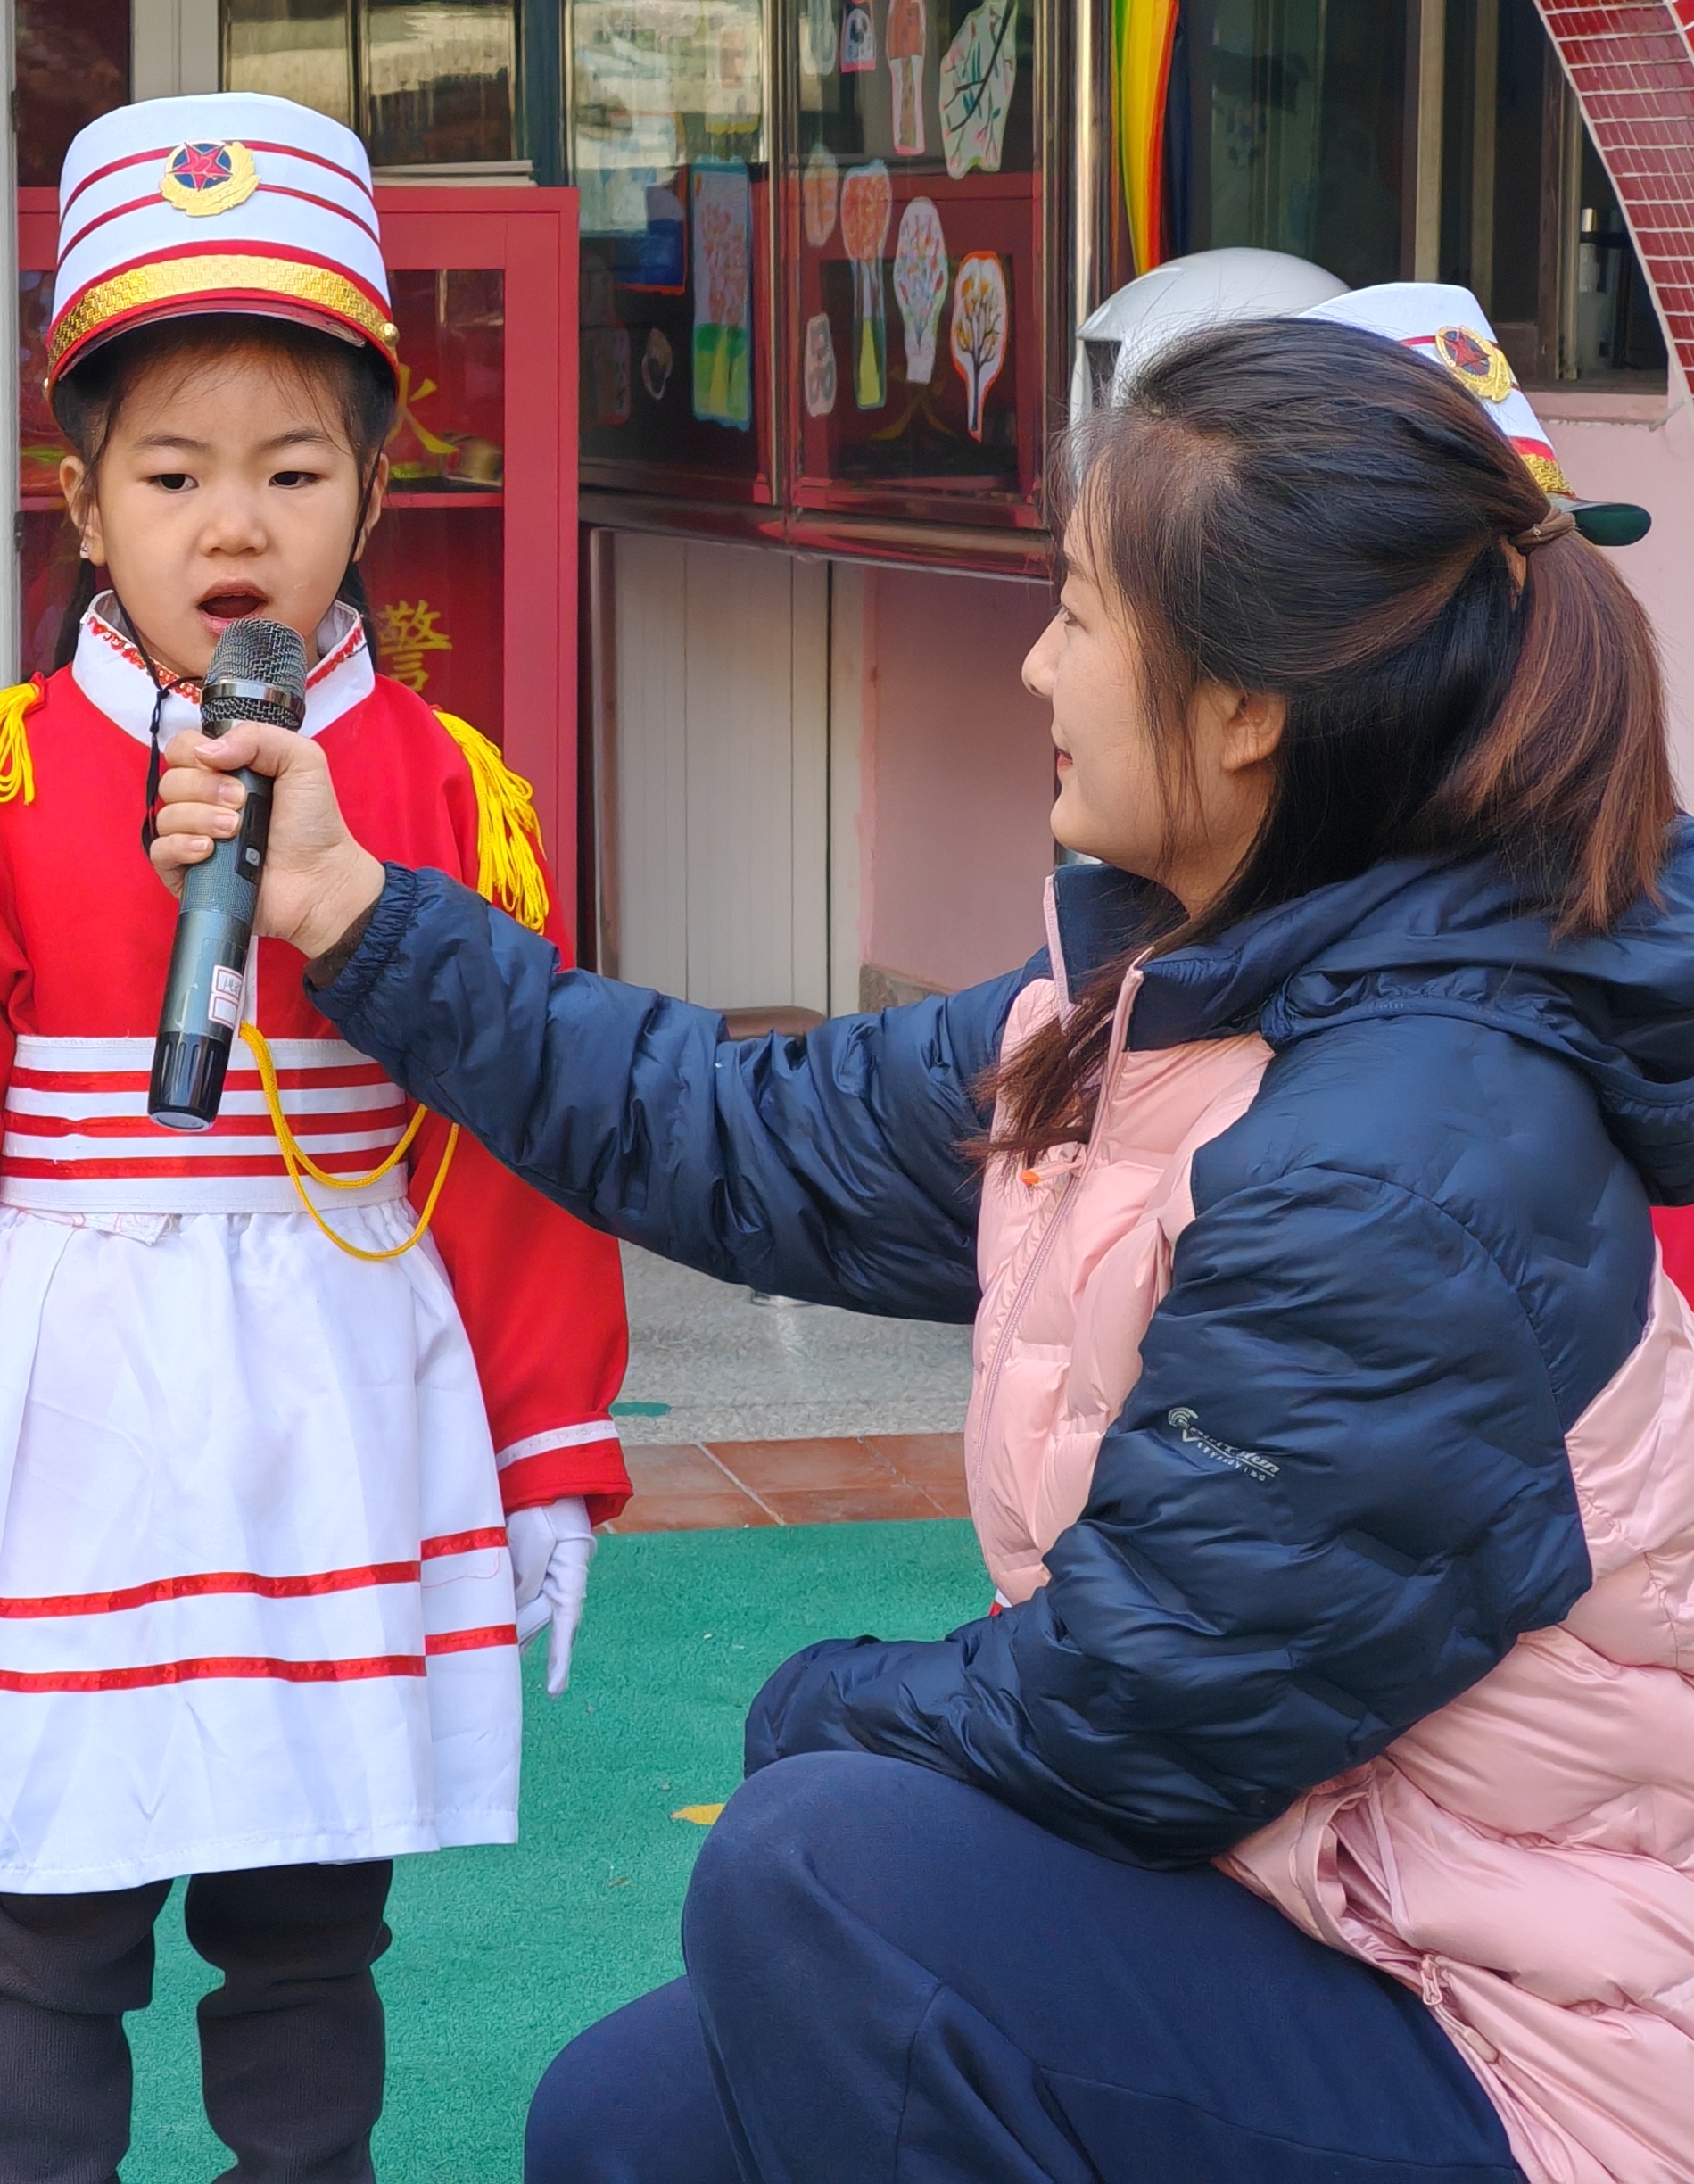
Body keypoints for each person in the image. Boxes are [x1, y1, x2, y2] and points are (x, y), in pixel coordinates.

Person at [152, 289, 1688, 2183]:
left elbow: (1134, 1718)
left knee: (829, 1876)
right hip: (1299, 1913)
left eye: (1078, 615)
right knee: (628, 2124)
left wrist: (811, 1710)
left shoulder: (1397, 1165)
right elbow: (742, 1134)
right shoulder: (1163, 999)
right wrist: (355, 912)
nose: (1035, 672)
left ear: (1247, 707)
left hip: (1518, 2064)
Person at [0, 92, 631, 2184]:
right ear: (78, 500)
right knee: (50, 1910)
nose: (227, 520)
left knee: (310, 1906)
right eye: (169, 471)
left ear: (372, 489)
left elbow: (507, 1139)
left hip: (339, 1363)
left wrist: (548, 1450)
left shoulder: (452, 791)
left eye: (289, 466)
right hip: (69, 1372)